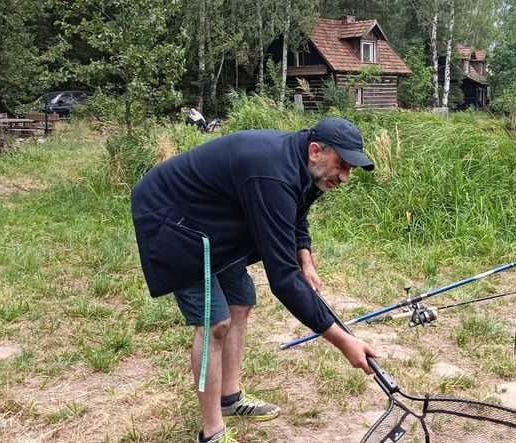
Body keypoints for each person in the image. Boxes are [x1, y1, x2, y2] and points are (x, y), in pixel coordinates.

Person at [131, 117, 378, 443]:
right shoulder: (271, 173)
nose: (344, 177)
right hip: (173, 217)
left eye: (350, 170)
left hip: (214, 217)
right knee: (214, 322)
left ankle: (230, 398)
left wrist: (304, 254)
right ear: (316, 151)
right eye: (342, 166)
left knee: (241, 300)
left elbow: (297, 211)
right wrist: (344, 340)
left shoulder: (307, 164)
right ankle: (212, 432)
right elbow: (283, 279)